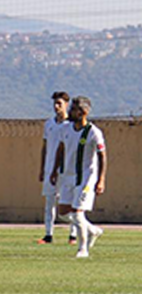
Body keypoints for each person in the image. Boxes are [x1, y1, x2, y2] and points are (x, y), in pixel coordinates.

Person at [50, 96, 107, 258]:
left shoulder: (93, 132)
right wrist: (54, 170)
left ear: (84, 112)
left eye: (74, 109)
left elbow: (102, 156)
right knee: (63, 212)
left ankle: (83, 249)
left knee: (77, 213)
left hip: (86, 178)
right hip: (68, 176)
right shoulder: (65, 129)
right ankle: (92, 230)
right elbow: (61, 149)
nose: (70, 111)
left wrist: (101, 179)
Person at [37, 91, 77, 245]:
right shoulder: (49, 124)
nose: (56, 106)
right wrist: (42, 169)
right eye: (55, 103)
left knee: (68, 204)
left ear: (66, 105)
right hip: (49, 170)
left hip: (66, 171)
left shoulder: (71, 125)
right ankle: (48, 235)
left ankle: (73, 235)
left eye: (59, 103)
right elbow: (45, 147)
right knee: (49, 203)